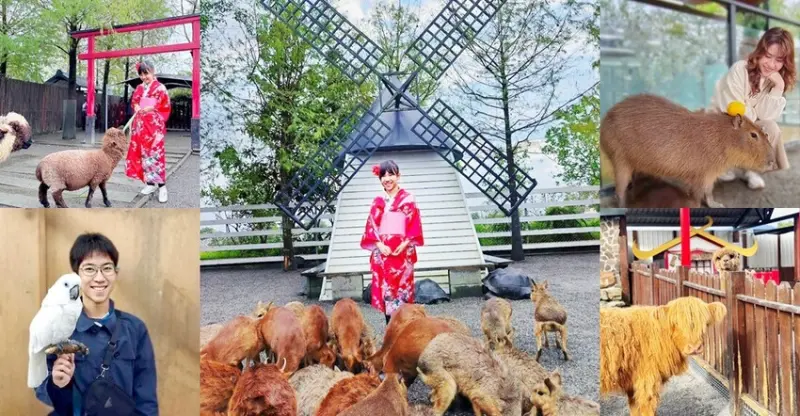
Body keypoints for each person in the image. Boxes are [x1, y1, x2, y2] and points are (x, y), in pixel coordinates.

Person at [34, 233, 158, 416]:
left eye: (107, 268)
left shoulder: (134, 329)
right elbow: (41, 390)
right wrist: (57, 384)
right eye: (89, 269)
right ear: (76, 275)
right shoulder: (57, 327)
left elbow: (146, 400)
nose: (99, 278)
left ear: (116, 273)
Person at [711, 27, 796, 191]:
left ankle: (749, 170)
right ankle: (724, 164)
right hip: (723, 122)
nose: (771, 64)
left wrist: (778, 87)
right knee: (741, 124)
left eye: (778, 60)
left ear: (785, 62)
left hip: (748, 124)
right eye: (768, 56)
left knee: (771, 128)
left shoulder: (774, 80)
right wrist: (754, 113)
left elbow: (767, 116)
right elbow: (734, 111)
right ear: (760, 52)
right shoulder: (740, 69)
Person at [360, 160, 424, 324]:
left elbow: (414, 224)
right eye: (383, 176)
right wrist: (379, 245)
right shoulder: (378, 201)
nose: (387, 179)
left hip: (402, 253)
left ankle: (403, 330)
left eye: (391, 175)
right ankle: (390, 328)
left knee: (402, 293)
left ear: (398, 176)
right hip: (383, 254)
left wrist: (404, 244)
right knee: (386, 294)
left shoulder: (408, 199)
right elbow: (371, 226)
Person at [125, 60, 172, 203]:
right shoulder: (139, 88)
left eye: (146, 73)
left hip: (154, 127)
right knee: (144, 155)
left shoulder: (160, 88)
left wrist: (152, 107)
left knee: (156, 155)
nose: (144, 77)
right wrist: (137, 107)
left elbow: (165, 104)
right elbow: (134, 101)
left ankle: (162, 187)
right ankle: (150, 184)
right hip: (141, 127)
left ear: (152, 72)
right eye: (141, 74)